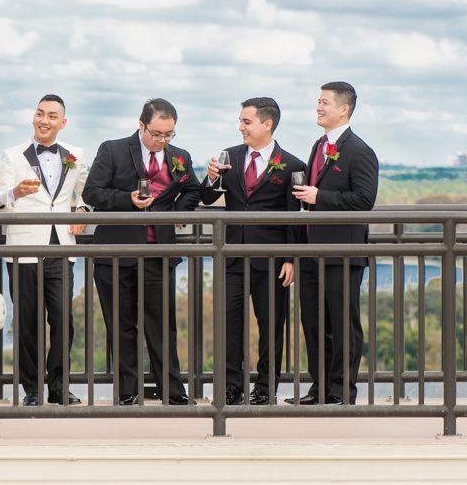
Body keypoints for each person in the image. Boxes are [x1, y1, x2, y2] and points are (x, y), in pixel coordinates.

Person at [82, 98, 200, 405]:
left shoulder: (180, 156)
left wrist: (176, 215)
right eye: (157, 134)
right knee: (121, 325)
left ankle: (172, 392)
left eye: (169, 134)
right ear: (141, 125)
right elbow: (91, 192)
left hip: (158, 252)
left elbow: (192, 190)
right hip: (115, 251)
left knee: (162, 325)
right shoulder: (113, 149)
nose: (162, 141)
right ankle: (128, 393)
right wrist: (128, 199)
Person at [199, 97, 304, 406]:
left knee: (272, 326)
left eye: (247, 121)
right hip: (231, 254)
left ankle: (265, 387)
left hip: (271, 260)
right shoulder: (228, 156)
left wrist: (291, 258)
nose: (240, 127)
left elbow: (294, 216)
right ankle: (232, 386)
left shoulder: (292, 165)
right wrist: (212, 178)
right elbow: (206, 197)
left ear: (266, 124)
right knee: (230, 324)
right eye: (240, 121)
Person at [0, 94, 89, 406]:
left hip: (61, 248)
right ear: (33, 117)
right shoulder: (12, 155)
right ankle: (32, 390)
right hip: (23, 248)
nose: (44, 120)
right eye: (39, 114)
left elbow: (86, 193)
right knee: (28, 321)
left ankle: (60, 387)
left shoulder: (76, 154)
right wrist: (14, 192)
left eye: (51, 116)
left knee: (63, 319)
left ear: (63, 122)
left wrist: (83, 210)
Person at [289, 81, 378, 405]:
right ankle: (320, 389)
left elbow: (364, 200)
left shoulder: (360, 151)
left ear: (344, 108)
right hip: (312, 252)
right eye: (318, 101)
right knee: (313, 323)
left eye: (324, 102)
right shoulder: (317, 146)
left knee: (342, 325)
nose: (318, 107)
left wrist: (319, 196)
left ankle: (343, 392)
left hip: (343, 253)